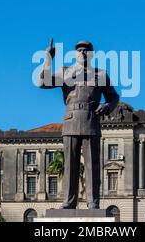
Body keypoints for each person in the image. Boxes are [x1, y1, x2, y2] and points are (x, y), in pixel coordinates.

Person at [38, 39, 119, 209]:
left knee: (92, 165)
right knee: (70, 165)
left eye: (86, 50)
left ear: (91, 54)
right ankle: (68, 202)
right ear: (75, 54)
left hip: (91, 119)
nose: (82, 52)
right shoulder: (65, 72)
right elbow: (42, 82)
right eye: (79, 50)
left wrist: (107, 106)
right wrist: (48, 58)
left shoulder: (100, 74)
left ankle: (92, 202)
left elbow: (113, 97)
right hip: (71, 119)